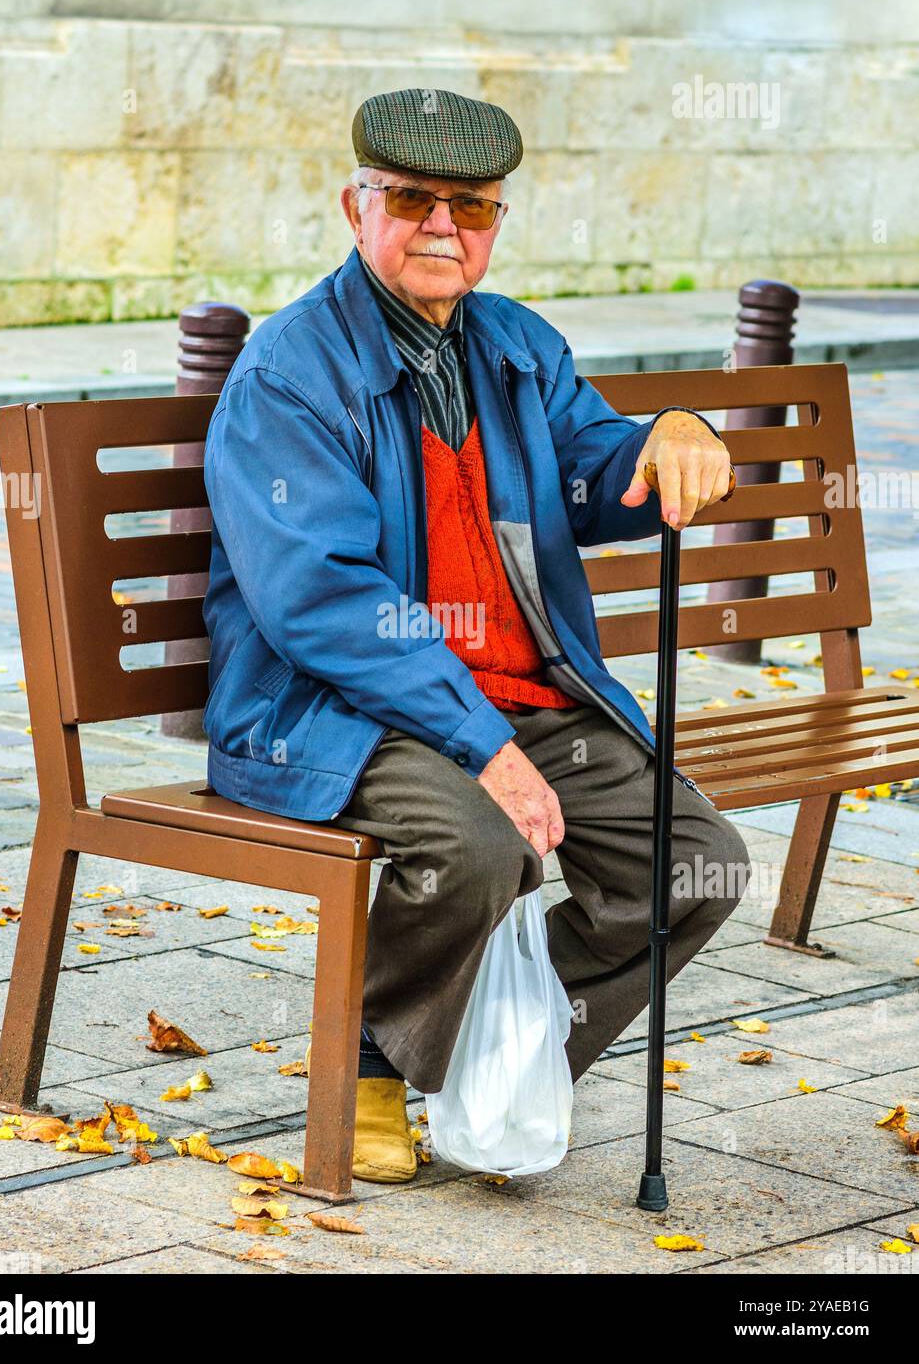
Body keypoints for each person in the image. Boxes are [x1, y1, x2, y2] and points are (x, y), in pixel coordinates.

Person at [202, 87, 751, 1184]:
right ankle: (368, 1056)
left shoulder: (516, 346)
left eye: (474, 207)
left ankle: (501, 1043)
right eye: (411, 199)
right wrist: (485, 749)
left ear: (497, 223)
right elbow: (323, 602)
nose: (444, 226)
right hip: (334, 709)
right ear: (355, 208)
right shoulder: (289, 375)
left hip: (513, 696)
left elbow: (596, 467)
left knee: (694, 863)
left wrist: (667, 437)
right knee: (478, 844)